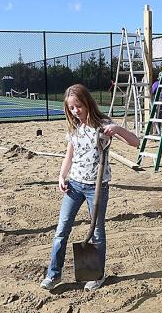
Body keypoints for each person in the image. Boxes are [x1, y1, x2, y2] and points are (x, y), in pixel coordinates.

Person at [40, 84, 139, 292]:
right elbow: (70, 155)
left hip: (97, 187)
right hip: (74, 185)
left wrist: (118, 129)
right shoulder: (74, 128)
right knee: (61, 230)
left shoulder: (104, 125)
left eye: (79, 106)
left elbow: (135, 142)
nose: (76, 111)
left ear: (87, 102)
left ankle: (96, 275)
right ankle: (53, 274)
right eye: (72, 108)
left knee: (96, 233)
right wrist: (61, 176)